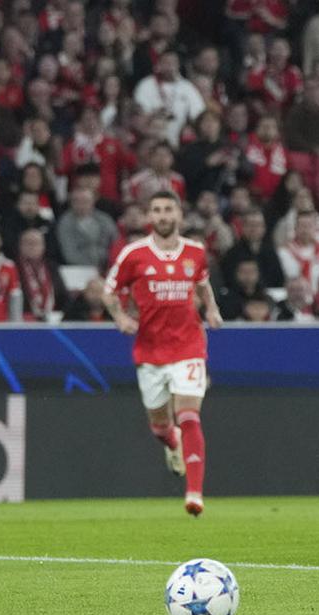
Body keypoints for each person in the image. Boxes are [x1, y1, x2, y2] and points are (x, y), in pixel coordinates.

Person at [103, 191, 224, 517]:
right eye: (157, 210)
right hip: (150, 349)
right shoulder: (134, 254)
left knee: (189, 415)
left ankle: (195, 493)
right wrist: (120, 317)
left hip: (188, 345)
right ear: (149, 217)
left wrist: (211, 310)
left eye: (168, 209)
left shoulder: (195, 252)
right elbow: (109, 291)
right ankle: (172, 443)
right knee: (160, 425)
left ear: (179, 215)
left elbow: (202, 284)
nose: (163, 215)